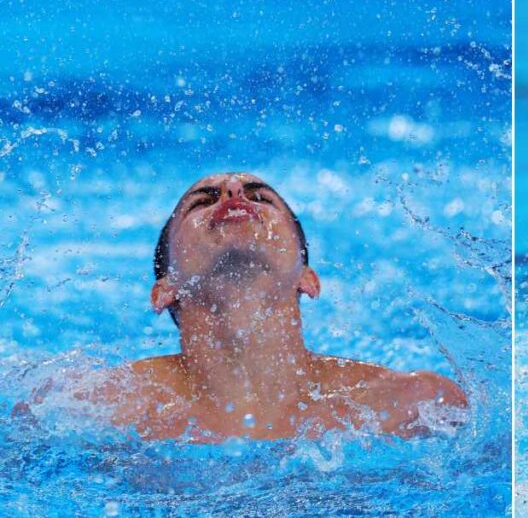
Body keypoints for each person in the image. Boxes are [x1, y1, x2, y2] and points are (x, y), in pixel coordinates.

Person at [19, 172, 467, 442]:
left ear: (307, 279)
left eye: (260, 197)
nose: (234, 191)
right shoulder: (89, 407)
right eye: (203, 200)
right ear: (165, 290)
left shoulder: (413, 405)